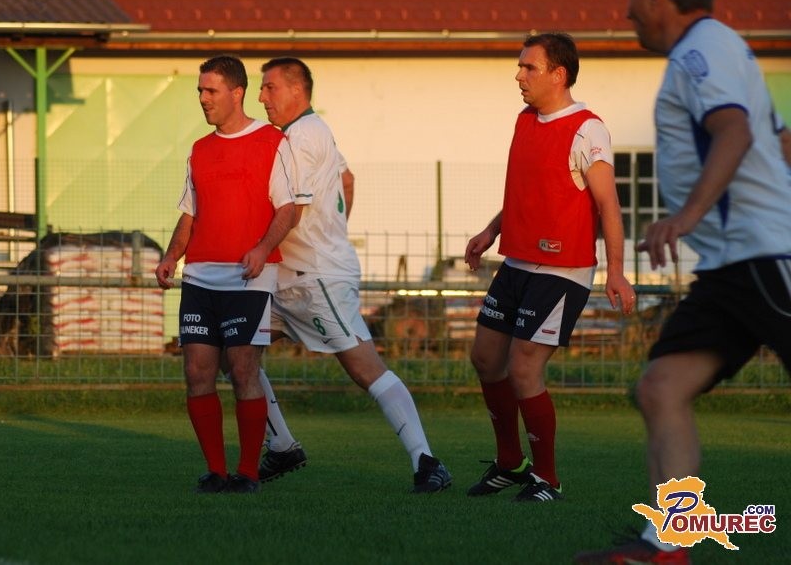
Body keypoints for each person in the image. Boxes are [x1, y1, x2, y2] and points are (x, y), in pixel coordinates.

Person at [575, 0, 791, 563]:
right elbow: (778, 141)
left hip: (763, 255)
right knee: (661, 386)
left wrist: (685, 216)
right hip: (732, 267)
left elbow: (734, 133)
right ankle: (667, 545)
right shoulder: (721, 49)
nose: (626, 11)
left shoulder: (702, 51)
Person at [254, 56, 452, 493]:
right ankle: (282, 446)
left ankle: (427, 461)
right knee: (236, 352)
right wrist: (332, 232)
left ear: (297, 91)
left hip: (315, 279)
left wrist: (268, 246)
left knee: (365, 369)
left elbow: (294, 209)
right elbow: (347, 179)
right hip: (286, 277)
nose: (262, 96)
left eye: (270, 87)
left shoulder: (302, 137)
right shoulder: (308, 131)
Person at [464, 32, 636, 503]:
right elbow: (528, 192)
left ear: (558, 75)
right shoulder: (525, 120)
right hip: (518, 261)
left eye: (529, 67)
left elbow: (609, 205)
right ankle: (509, 462)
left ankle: (547, 478)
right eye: (519, 66)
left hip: (563, 269)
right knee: (485, 358)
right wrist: (491, 230)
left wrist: (616, 271)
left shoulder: (587, 129)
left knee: (524, 368)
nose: (519, 76)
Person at [154, 54, 296, 494]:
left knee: (242, 368)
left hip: (249, 277)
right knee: (197, 371)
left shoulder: (272, 141)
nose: (203, 98)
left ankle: (248, 472)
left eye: (210, 90)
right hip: (200, 276)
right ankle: (216, 471)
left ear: (236, 93)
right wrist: (171, 256)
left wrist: (262, 249)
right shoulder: (199, 150)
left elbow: (288, 209)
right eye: (199, 90)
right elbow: (190, 214)